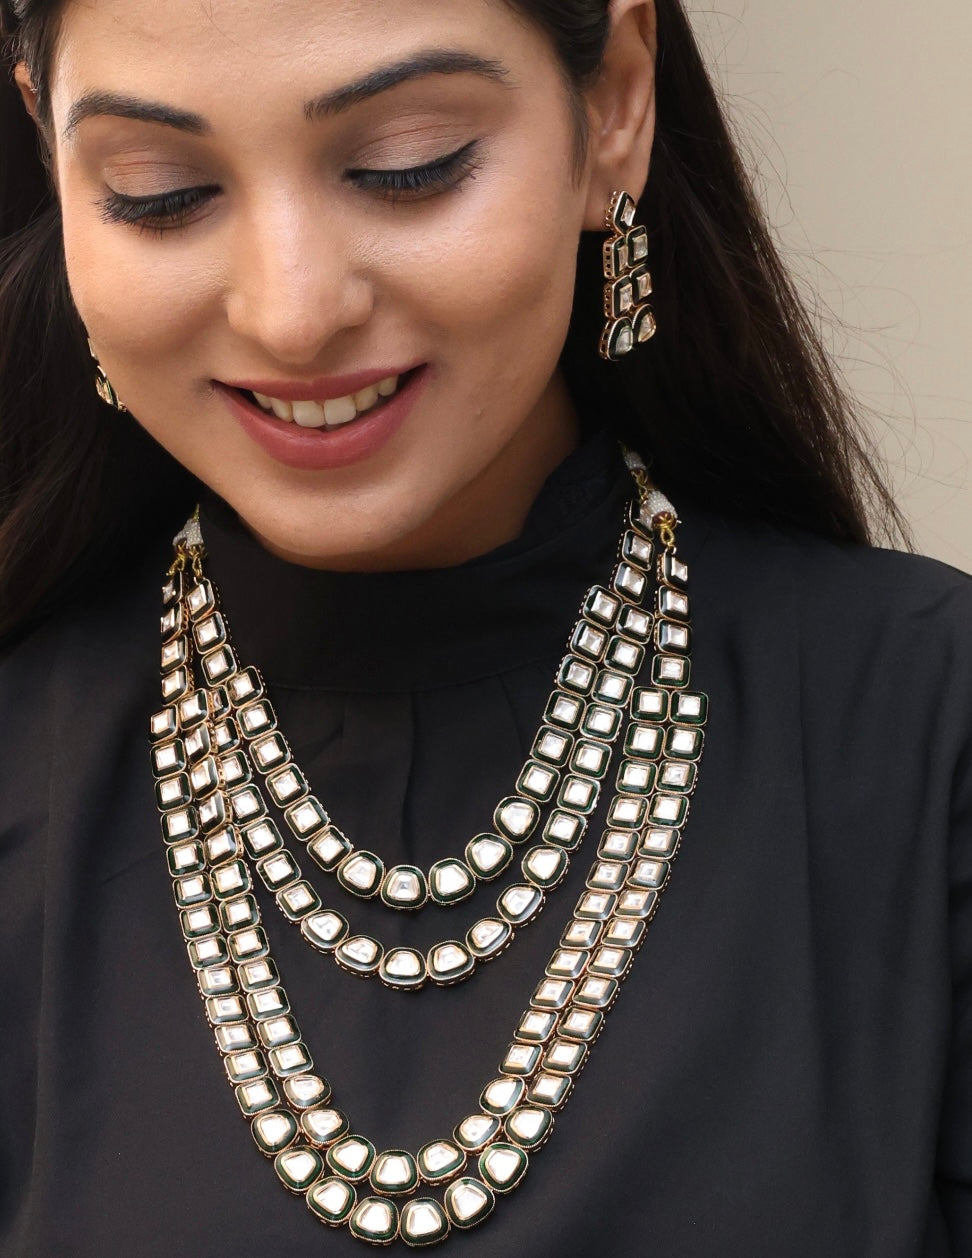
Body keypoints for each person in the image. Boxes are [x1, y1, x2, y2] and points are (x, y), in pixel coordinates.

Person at [0, 0, 968, 1253]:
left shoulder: (926, 740)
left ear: (615, 100)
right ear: (49, 151)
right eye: (160, 189)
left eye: (406, 164)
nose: (293, 313)